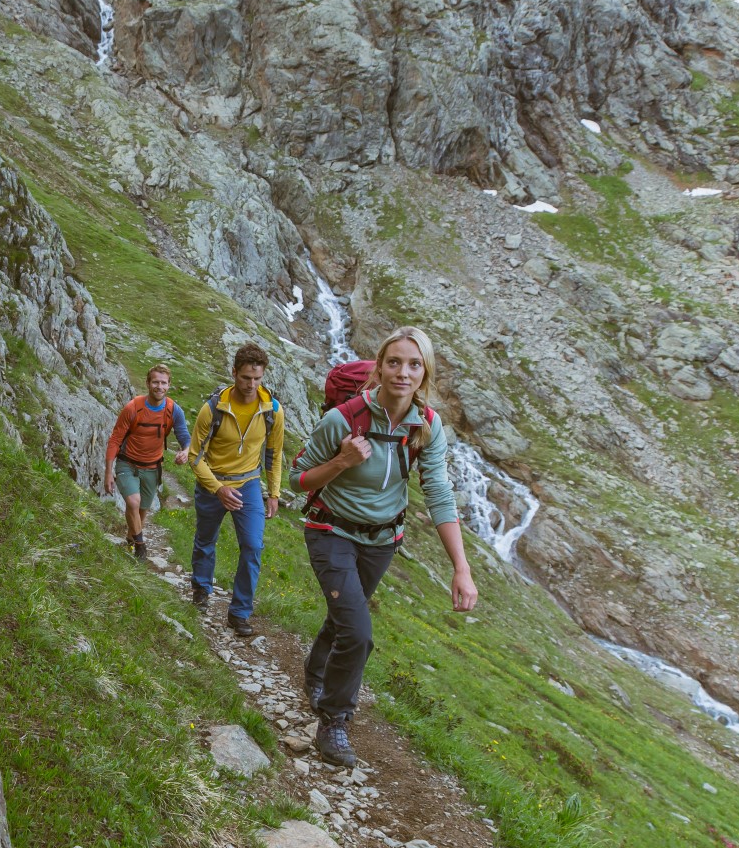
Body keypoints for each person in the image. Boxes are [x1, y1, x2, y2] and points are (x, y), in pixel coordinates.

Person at [292, 326, 477, 768]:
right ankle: (334, 721)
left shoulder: (427, 428)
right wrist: (341, 461)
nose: (403, 372)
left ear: (425, 374)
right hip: (330, 531)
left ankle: (316, 675)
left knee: (345, 622)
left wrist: (461, 568)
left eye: (414, 364)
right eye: (394, 362)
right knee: (358, 631)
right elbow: (297, 478)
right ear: (379, 367)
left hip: (382, 541)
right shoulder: (343, 419)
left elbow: (438, 494)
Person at [182, 343, 286, 637]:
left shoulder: (272, 410)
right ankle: (201, 589)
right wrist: (217, 489)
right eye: (245, 378)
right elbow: (194, 456)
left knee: (253, 546)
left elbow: (274, 454)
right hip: (213, 481)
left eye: (257, 379)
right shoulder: (212, 408)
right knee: (205, 539)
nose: (251, 385)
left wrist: (274, 493)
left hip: (249, 484)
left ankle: (239, 613)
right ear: (234, 374)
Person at [104, 365, 190, 558]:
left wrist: (186, 451)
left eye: (163, 383)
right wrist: (109, 472)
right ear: (148, 383)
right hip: (127, 463)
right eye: (155, 382)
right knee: (133, 503)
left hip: (152, 467)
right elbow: (115, 439)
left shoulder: (173, 410)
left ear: (169, 385)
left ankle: (130, 540)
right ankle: (141, 547)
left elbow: (184, 436)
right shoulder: (133, 408)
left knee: (142, 509)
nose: (159, 386)